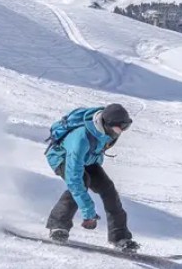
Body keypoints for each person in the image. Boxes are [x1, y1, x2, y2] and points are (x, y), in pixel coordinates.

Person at [45, 104, 136, 251]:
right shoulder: (80, 139)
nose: (122, 131)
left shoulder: (108, 131)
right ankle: (58, 227)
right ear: (107, 124)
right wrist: (89, 214)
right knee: (82, 182)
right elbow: (74, 180)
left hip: (86, 160)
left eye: (126, 126)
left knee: (108, 189)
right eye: (121, 127)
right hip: (62, 158)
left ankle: (120, 237)